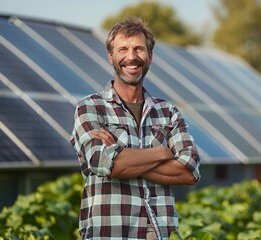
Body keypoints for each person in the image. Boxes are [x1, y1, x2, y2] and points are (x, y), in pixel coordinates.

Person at [70, 16, 201, 240]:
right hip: (109, 233)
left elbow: (190, 171)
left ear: (150, 56)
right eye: (123, 49)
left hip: (159, 233)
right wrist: (162, 153)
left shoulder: (167, 111)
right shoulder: (90, 108)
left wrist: (121, 157)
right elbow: (102, 163)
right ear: (110, 56)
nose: (131, 57)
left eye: (139, 49)